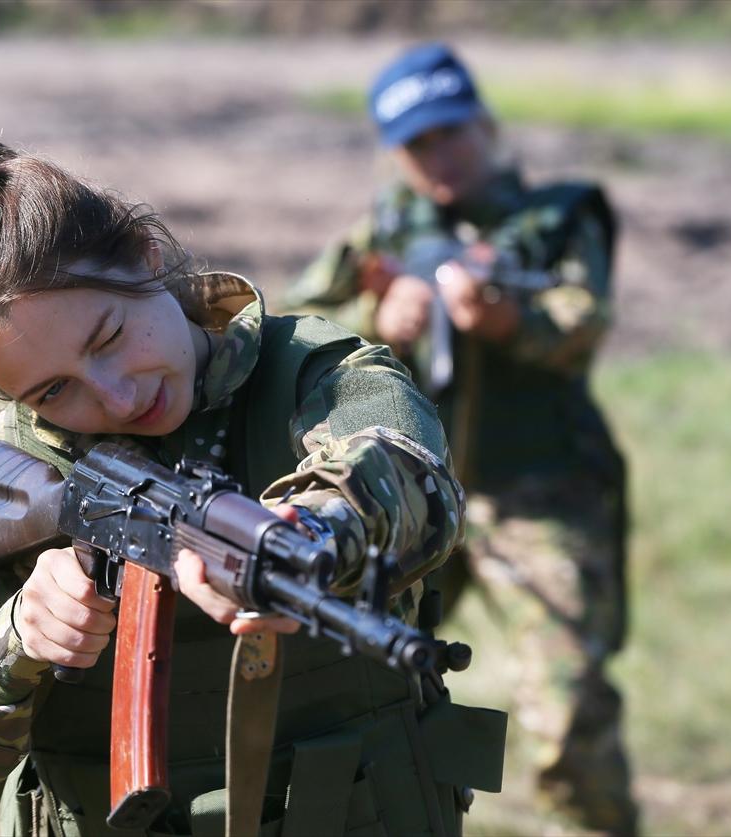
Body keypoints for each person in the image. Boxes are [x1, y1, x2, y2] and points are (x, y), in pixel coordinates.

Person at [0, 137, 506, 836]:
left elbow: (402, 470)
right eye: (53, 389)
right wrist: (12, 643)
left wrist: (308, 530)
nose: (115, 393)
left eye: (108, 337)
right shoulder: (7, 487)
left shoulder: (319, 377)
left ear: (145, 255)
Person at [282, 43, 637, 835]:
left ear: (484, 125)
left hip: (535, 491)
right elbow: (293, 327)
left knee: (570, 713)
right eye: (418, 145)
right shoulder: (384, 228)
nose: (440, 158)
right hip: (404, 495)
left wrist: (512, 321)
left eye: (452, 134)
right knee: (351, 693)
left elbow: (587, 320)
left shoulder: (557, 220)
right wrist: (384, 320)